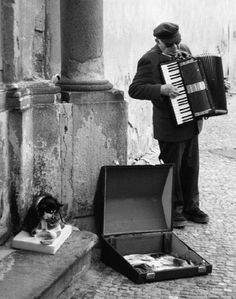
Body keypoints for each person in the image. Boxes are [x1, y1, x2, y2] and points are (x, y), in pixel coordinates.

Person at [128, 22, 209, 228]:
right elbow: (135, 89)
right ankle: (174, 209)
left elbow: (195, 77)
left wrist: (204, 105)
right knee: (173, 168)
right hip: (169, 125)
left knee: (191, 167)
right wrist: (161, 89)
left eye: (177, 43)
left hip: (190, 122)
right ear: (157, 41)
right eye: (170, 45)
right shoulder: (149, 59)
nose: (175, 48)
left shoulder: (183, 49)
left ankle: (192, 206)